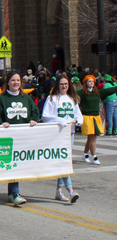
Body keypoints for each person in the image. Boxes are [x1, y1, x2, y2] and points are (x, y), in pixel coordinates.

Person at [0, 71, 40, 206]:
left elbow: (35, 112)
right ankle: (15, 193)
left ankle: (12, 193)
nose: (16, 83)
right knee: (13, 164)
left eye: (18, 80)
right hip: (8, 138)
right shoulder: (1, 99)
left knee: (17, 164)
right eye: (13, 80)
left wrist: (34, 120)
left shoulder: (26, 98)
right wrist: (0, 123)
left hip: (23, 137)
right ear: (8, 83)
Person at [41, 75, 83, 203]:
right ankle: (71, 190)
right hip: (57, 134)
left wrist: (79, 121)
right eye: (61, 84)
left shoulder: (72, 99)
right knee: (64, 161)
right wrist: (59, 120)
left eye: (66, 84)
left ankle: (59, 190)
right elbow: (45, 116)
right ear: (57, 85)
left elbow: (77, 113)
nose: (64, 86)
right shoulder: (52, 98)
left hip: (69, 133)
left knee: (64, 161)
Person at [77, 75, 117, 164]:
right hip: (87, 117)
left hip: (96, 116)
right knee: (92, 137)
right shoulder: (82, 92)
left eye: (92, 81)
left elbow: (110, 91)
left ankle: (85, 154)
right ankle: (94, 156)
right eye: (89, 81)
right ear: (85, 83)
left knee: (91, 138)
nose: (91, 83)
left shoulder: (98, 92)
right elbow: (72, 94)